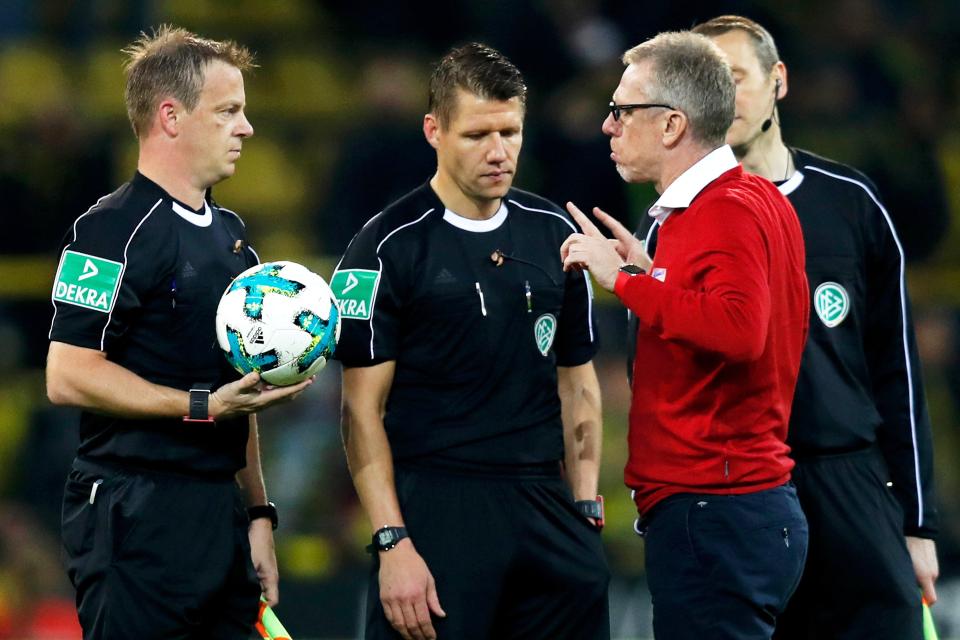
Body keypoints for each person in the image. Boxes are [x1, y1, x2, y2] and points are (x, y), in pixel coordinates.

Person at [332, 43, 609, 640]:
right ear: (434, 130)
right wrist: (392, 541)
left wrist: (584, 504)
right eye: (477, 134)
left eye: (510, 132)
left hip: (545, 504)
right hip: (437, 503)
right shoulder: (384, 247)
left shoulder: (555, 235)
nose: (497, 151)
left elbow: (577, 376)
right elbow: (360, 408)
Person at [45, 26, 311, 639]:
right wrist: (200, 406)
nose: (246, 128)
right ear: (171, 116)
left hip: (218, 513)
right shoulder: (107, 231)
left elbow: (238, 391)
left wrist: (259, 514)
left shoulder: (234, 236)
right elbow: (67, 373)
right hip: (132, 509)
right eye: (228, 111)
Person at [687, 16, 939, 639]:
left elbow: (897, 371)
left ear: (779, 81)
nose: (722, 99)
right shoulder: (677, 221)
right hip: (738, 493)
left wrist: (918, 522)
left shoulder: (852, 202)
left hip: (851, 484)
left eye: (736, 78)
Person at [560, 31, 809, 639]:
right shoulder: (750, 198)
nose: (607, 126)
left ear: (671, 125)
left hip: (717, 507)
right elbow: (732, 311)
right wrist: (654, 271)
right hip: (735, 508)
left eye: (621, 110)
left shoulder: (723, 209)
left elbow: (740, 330)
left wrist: (623, 280)